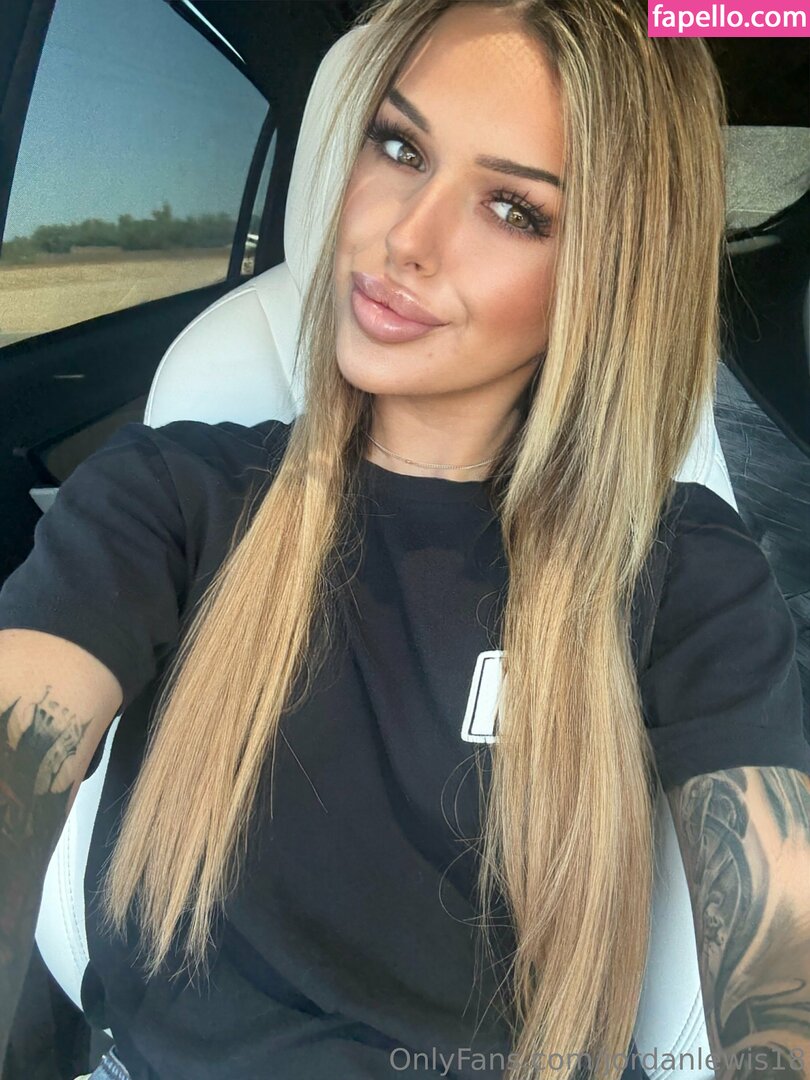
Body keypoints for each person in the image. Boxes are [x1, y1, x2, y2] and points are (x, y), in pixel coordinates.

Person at [1, 1, 809, 1078]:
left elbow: (780, 987)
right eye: (399, 147)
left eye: (514, 209)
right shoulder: (169, 495)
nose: (405, 239)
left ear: (607, 272)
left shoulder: (684, 571)